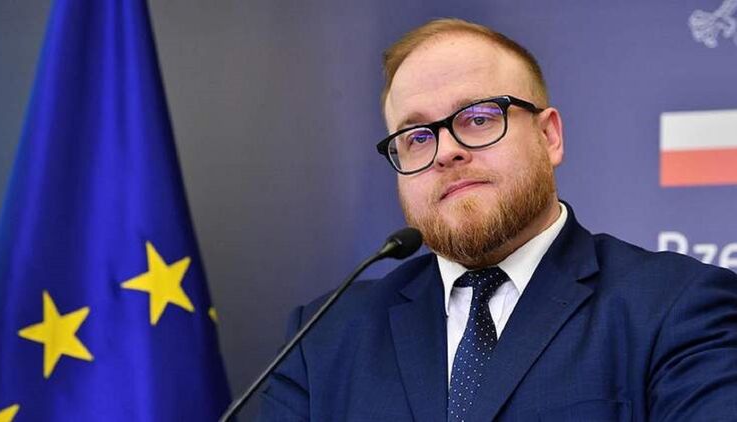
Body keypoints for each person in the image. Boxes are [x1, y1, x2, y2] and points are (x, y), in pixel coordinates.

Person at [258, 18, 737, 421]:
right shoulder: (322, 336)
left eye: (479, 117)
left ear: (549, 137)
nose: (446, 151)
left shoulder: (678, 306)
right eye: (418, 137)